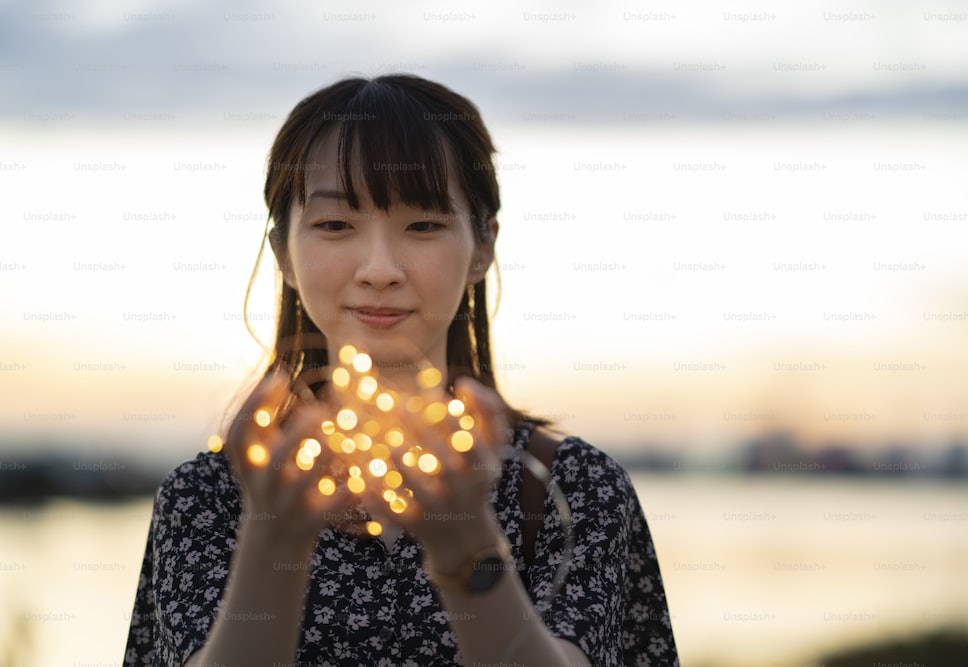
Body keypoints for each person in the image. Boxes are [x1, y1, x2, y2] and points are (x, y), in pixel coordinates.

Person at [124, 74, 680, 667]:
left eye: (423, 225)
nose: (380, 269)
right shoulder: (208, 497)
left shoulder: (570, 487)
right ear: (283, 250)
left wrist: (464, 540)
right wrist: (274, 538)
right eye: (336, 225)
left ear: (484, 244)